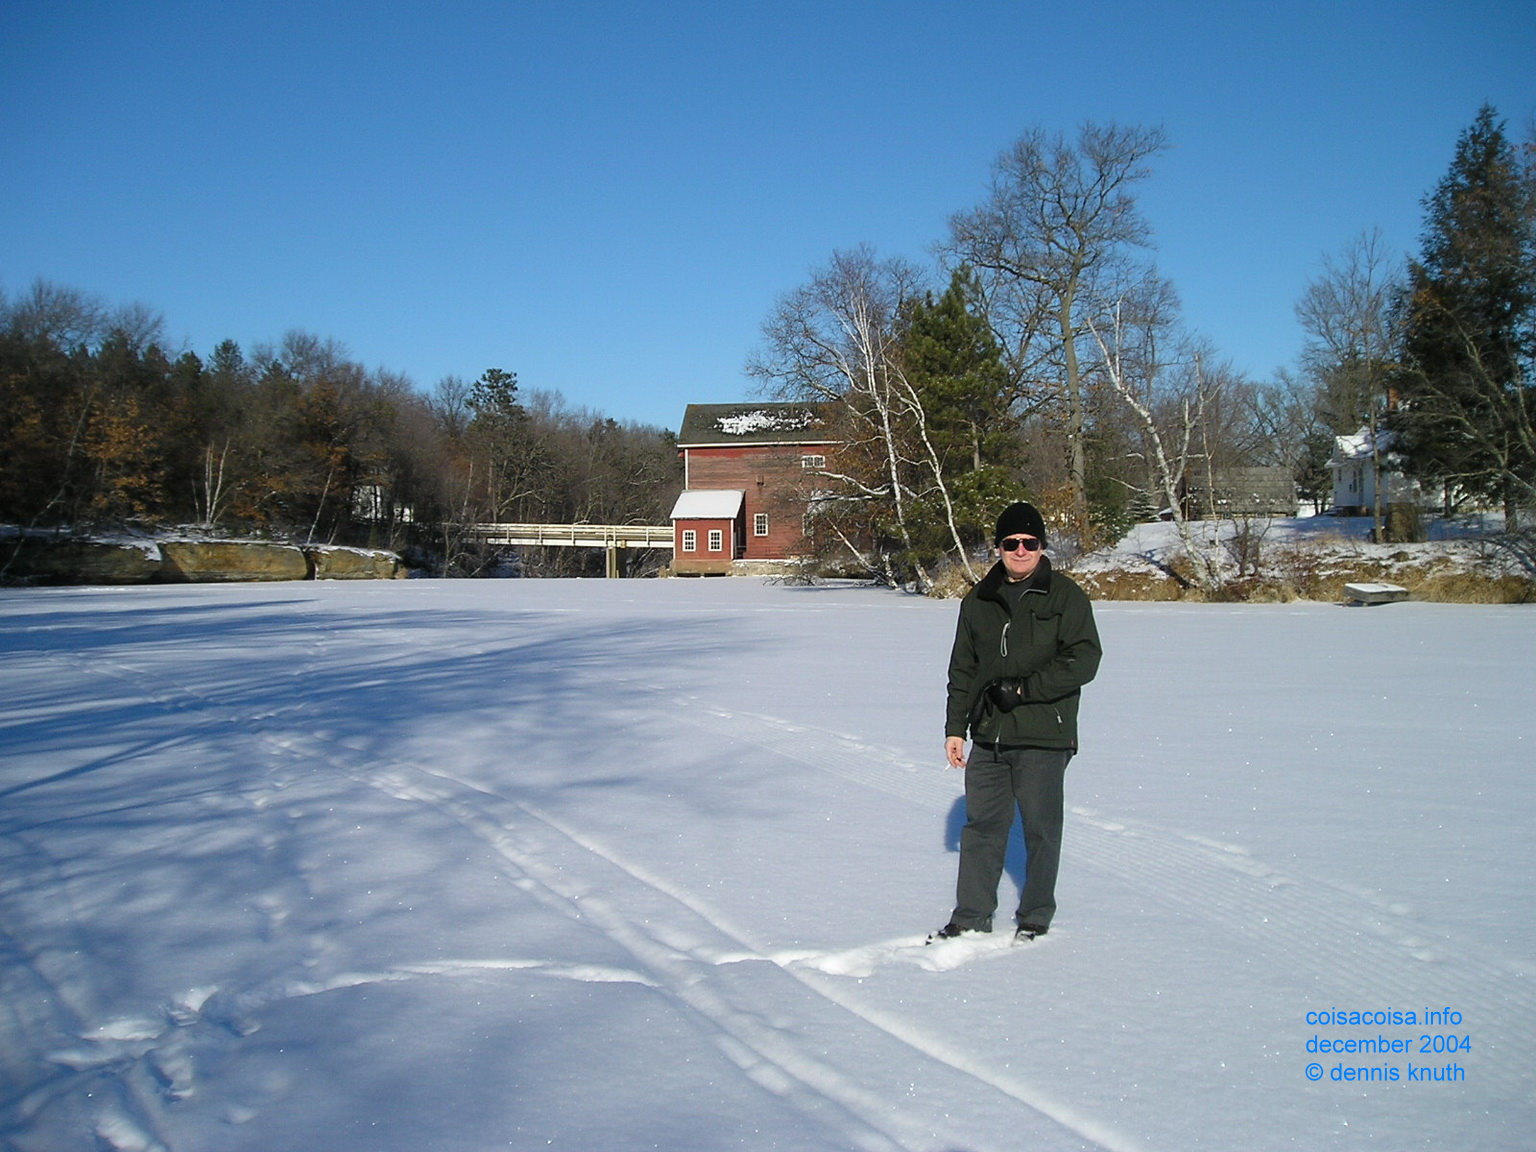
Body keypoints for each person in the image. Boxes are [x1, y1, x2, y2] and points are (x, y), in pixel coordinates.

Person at [935, 501, 1102, 943]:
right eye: (1012, 543)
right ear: (999, 548)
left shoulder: (1065, 596)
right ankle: (971, 916)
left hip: (1045, 734)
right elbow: (963, 668)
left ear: (1042, 546)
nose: (1021, 550)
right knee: (982, 828)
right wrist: (956, 728)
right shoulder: (978, 601)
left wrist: (1026, 689)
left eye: (1030, 543)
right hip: (989, 735)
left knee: (1041, 829)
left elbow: (1084, 659)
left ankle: (1035, 915)